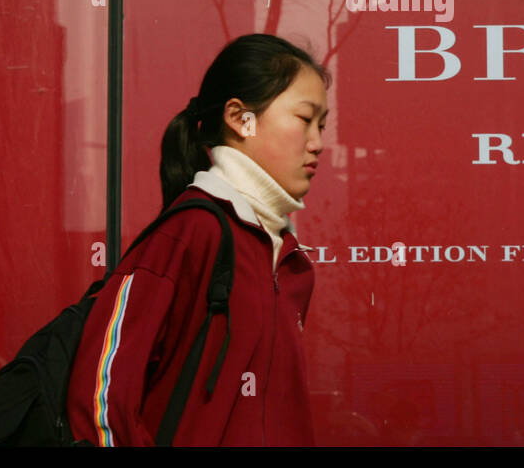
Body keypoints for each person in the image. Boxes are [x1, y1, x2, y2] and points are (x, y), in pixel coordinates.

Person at [65, 33, 329, 445]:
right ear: (240, 117)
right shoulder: (191, 232)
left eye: (322, 125)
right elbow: (100, 394)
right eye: (304, 119)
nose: (317, 143)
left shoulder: (291, 263)